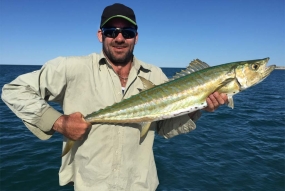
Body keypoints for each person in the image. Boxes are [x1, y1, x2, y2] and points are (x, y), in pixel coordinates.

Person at [1, 3, 228, 191]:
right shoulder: (72, 68)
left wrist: (197, 108)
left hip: (141, 185)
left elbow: (165, 128)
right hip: (90, 186)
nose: (119, 38)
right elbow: (13, 90)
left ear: (136, 38)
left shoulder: (155, 74)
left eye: (127, 33)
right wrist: (58, 122)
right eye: (111, 32)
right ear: (101, 35)